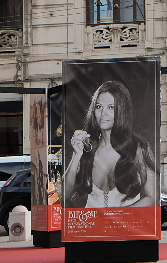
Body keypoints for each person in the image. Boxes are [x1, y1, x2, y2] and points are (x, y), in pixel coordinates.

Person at [65, 80, 156, 208]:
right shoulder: (87, 148)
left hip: (127, 220)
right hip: (91, 221)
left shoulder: (138, 147)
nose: (103, 114)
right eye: (98, 107)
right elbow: (65, 195)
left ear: (122, 110)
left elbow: (152, 197)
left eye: (111, 107)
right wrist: (76, 155)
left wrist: (120, 215)